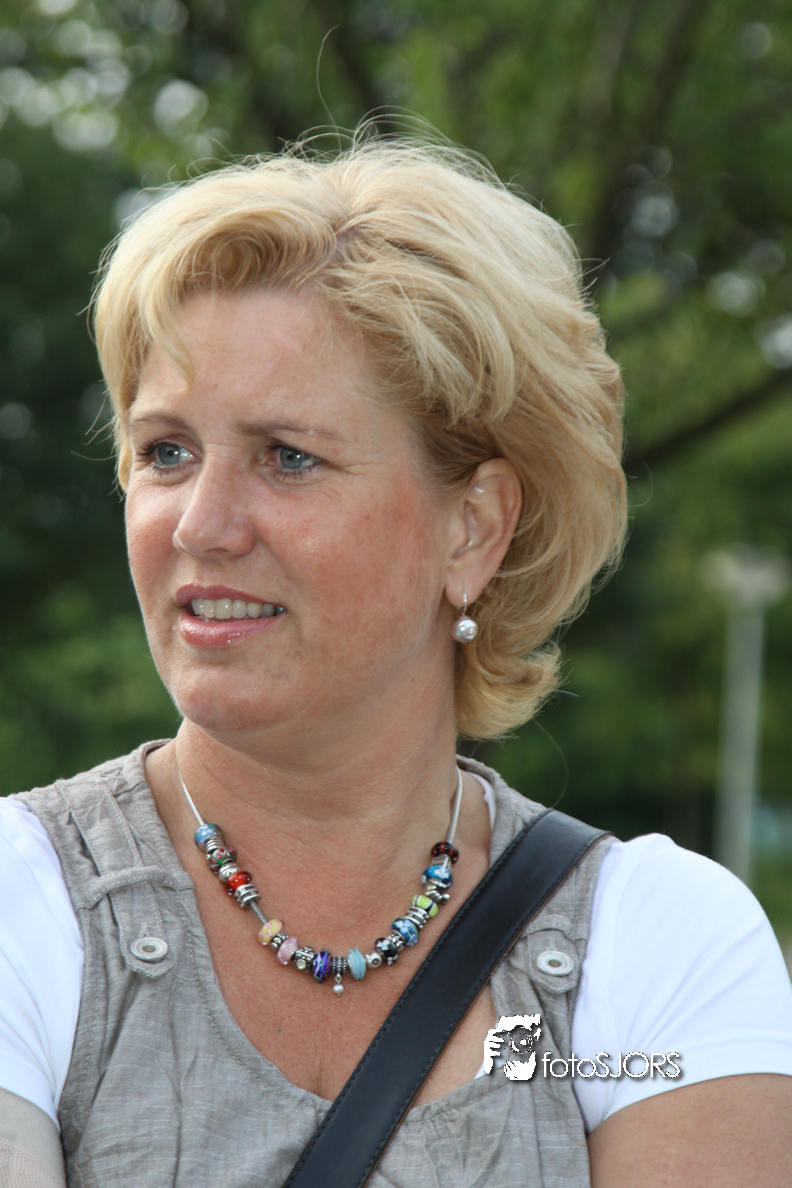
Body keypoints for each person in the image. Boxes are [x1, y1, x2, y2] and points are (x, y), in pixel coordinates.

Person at [1, 133, 791, 1188]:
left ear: (474, 528)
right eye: (166, 452)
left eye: (288, 457)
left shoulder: (658, 946)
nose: (200, 523)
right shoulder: (22, 903)